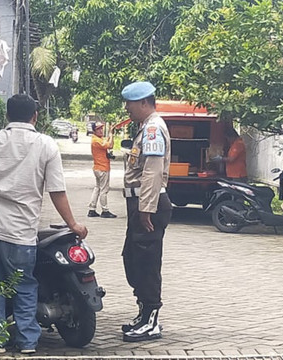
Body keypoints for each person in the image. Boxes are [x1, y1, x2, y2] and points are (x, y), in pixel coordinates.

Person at [0, 94, 88, 354]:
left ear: (7, 116)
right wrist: (72, 224)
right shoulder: (46, 145)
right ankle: (27, 342)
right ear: (35, 116)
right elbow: (57, 191)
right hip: (20, 230)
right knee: (25, 284)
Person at [119, 81, 173, 342]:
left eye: (130, 103)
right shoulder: (145, 127)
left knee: (147, 263)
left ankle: (151, 321)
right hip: (141, 203)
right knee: (133, 258)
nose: (127, 108)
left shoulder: (152, 128)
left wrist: (146, 209)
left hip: (148, 204)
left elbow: (152, 171)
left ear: (144, 103)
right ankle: (143, 314)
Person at [87, 122, 117, 218]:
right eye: (98, 129)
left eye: (101, 128)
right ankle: (105, 210)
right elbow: (110, 145)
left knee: (97, 188)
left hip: (98, 168)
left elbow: (108, 142)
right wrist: (111, 134)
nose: (100, 130)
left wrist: (110, 134)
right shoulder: (96, 141)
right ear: (94, 131)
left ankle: (92, 209)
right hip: (102, 168)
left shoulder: (98, 139)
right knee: (104, 189)